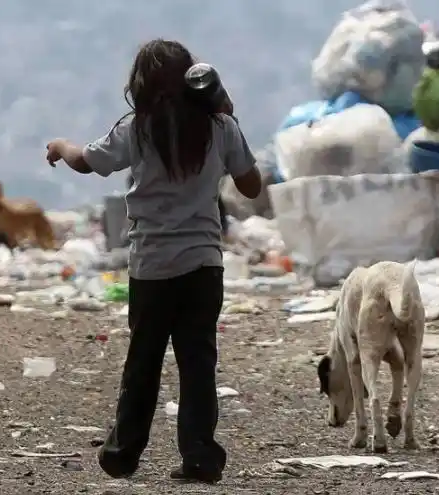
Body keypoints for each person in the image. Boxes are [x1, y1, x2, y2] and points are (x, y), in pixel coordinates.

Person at [45, 39, 261, 483]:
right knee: (198, 363)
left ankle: (123, 453)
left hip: (152, 267)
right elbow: (252, 186)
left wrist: (61, 146)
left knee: (143, 361)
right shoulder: (219, 127)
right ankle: (200, 457)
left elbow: (88, 162)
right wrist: (230, 115)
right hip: (204, 265)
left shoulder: (137, 129)